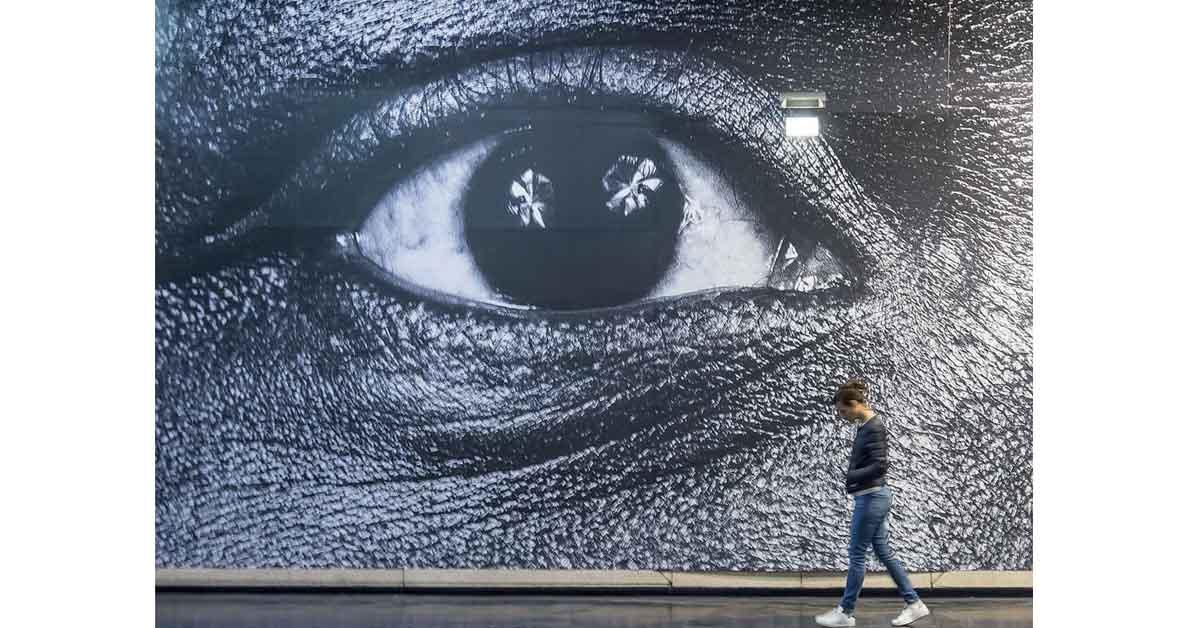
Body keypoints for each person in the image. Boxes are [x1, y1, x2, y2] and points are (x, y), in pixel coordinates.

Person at [815, 380, 930, 627]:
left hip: (872, 497)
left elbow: (880, 465)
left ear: (855, 404)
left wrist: (850, 478)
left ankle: (845, 612)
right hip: (871, 495)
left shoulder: (874, 427)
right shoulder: (866, 425)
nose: (842, 416)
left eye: (843, 411)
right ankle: (915, 604)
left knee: (857, 554)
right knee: (883, 552)